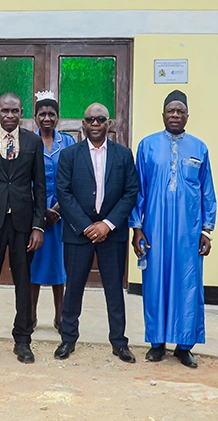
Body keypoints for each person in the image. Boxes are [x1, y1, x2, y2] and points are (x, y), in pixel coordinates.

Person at [130, 89, 217, 368]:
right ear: (163, 114)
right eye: (171, 110)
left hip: (188, 233)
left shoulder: (199, 148)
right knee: (154, 282)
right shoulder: (148, 146)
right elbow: (138, 190)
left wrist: (206, 230)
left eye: (180, 111)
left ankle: (184, 345)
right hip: (154, 228)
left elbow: (207, 192)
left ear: (187, 115)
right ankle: (156, 342)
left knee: (187, 284)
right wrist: (137, 228)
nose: (175, 115)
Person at [53, 103, 139, 363]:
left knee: (114, 289)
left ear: (108, 123)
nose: (95, 123)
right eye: (90, 119)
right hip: (78, 233)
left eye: (100, 119)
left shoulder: (124, 155)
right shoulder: (69, 155)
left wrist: (108, 224)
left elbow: (130, 192)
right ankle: (68, 340)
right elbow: (63, 193)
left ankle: (119, 342)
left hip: (112, 233)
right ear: (83, 123)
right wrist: (85, 225)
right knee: (74, 288)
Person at [0, 92, 47, 364]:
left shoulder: (33, 142)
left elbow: (40, 186)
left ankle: (23, 340)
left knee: (24, 282)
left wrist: (39, 226)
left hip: (23, 224)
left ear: (22, 112)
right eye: (5, 111)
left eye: (15, 111)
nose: (10, 116)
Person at [29, 91, 76, 331]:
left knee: (59, 265)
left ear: (57, 118)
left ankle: (60, 316)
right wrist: (41, 209)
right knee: (33, 264)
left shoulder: (67, 142)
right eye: (42, 114)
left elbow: (76, 176)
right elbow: (21, 178)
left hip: (62, 212)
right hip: (35, 212)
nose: (47, 118)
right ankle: (31, 315)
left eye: (51, 114)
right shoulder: (28, 140)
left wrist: (57, 207)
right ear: (35, 117)